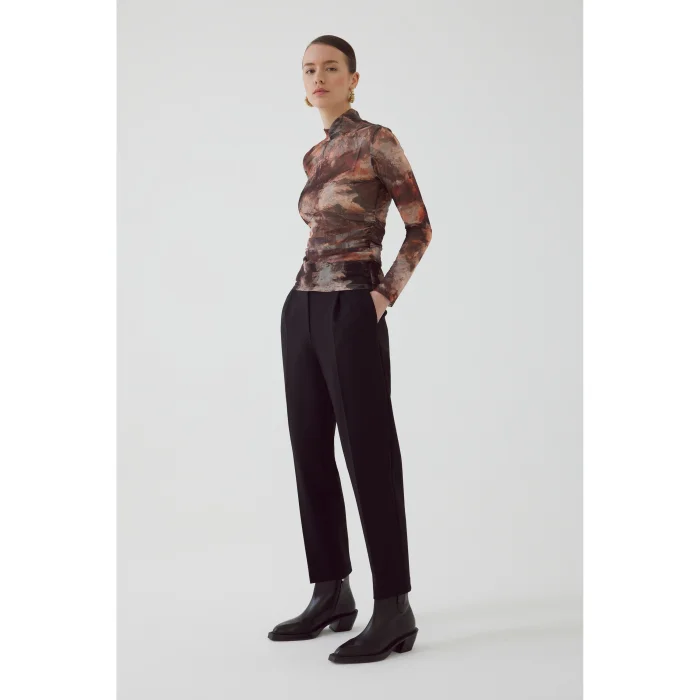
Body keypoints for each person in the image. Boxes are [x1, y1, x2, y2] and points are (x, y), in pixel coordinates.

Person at [268, 34, 432, 664]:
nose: (319, 77)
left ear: (353, 78)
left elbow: (419, 226)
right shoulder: (314, 154)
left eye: (330, 67)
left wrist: (384, 294)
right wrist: (304, 308)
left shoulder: (375, 141)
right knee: (309, 448)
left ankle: (394, 606)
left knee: (369, 451)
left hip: (353, 307)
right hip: (302, 307)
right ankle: (331, 590)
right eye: (309, 69)